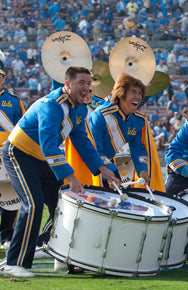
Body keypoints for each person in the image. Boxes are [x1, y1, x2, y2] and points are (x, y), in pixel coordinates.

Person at [2, 66, 121, 278]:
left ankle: (59, 253)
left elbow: (82, 142)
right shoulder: (52, 106)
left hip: (41, 159)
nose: (86, 88)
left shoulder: (80, 109)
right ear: (67, 85)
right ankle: (14, 262)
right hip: (18, 154)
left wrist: (104, 169)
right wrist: (72, 178)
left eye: (88, 83)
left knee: (60, 205)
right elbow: (49, 146)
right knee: (33, 204)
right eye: (81, 83)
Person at [86, 73, 164, 191]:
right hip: (87, 162)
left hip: (106, 161)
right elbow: (94, 149)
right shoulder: (101, 115)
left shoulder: (138, 120)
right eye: (132, 92)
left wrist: (142, 169)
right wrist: (111, 172)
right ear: (121, 93)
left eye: (140, 93)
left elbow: (137, 148)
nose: (137, 97)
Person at [0, 60, 25, 250]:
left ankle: (6, 235)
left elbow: (22, 129)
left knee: (11, 196)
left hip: (7, 154)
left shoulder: (15, 102)